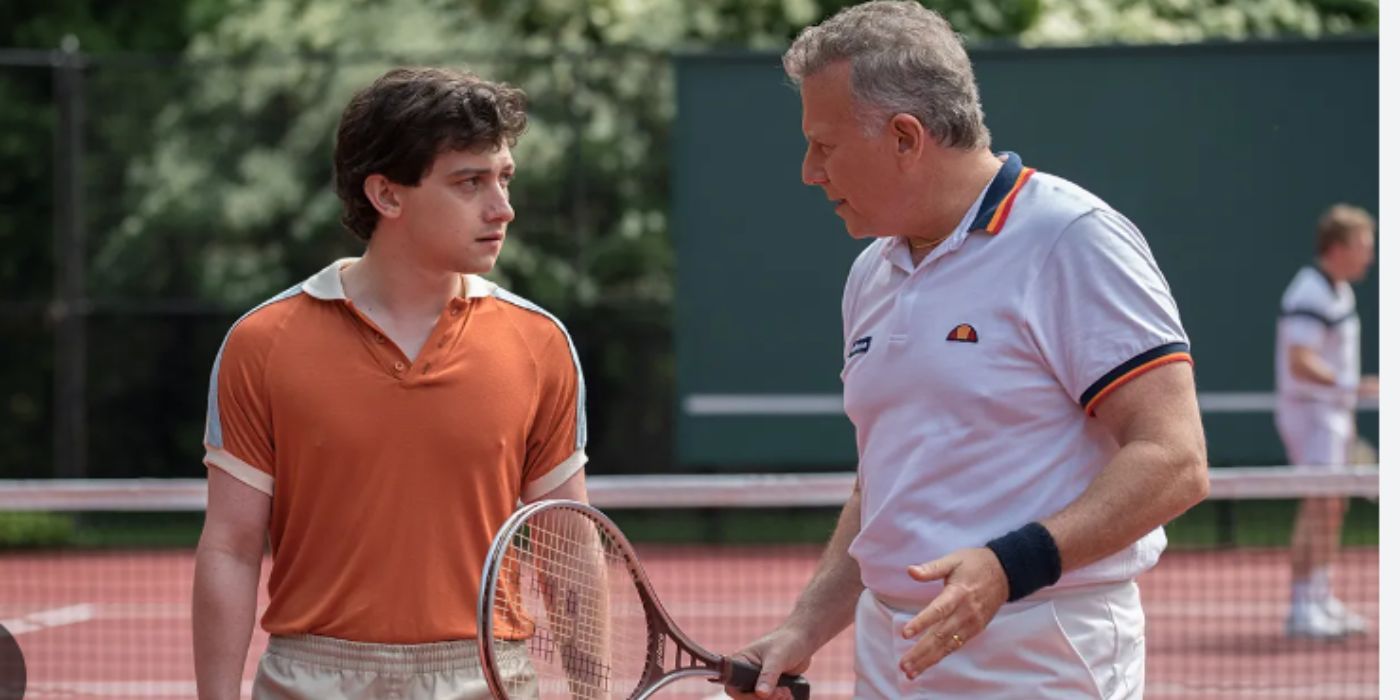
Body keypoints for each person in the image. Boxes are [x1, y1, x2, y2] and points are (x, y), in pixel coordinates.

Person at [726, 3, 1209, 698]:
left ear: (904, 137)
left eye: (824, 146)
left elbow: (1176, 461)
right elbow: (888, 485)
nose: (809, 171)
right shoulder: (871, 272)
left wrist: (1008, 565)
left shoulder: (1074, 238)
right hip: (890, 656)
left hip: (1044, 658)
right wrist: (805, 627)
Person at [192, 67, 589, 699]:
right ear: (388, 195)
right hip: (310, 679)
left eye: (504, 178)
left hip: (487, 677)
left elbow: (568, 545)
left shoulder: (539, 343)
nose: (502, 207)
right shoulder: (261, 343)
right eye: (470, 183)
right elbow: (231, 549)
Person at [1275, 204, 1377, 639]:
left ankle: (1320, 597)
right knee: (1318, 506)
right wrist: (1352, 385)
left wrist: (1347, 405)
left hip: (1334, 414)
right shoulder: (1309, 293)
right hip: (1311, 414)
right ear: (1337, 247)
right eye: (1362, 245)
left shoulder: (1340, 291)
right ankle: (1301, 609)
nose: (1369, 255)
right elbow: (1300, 363)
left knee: (1333, 507)